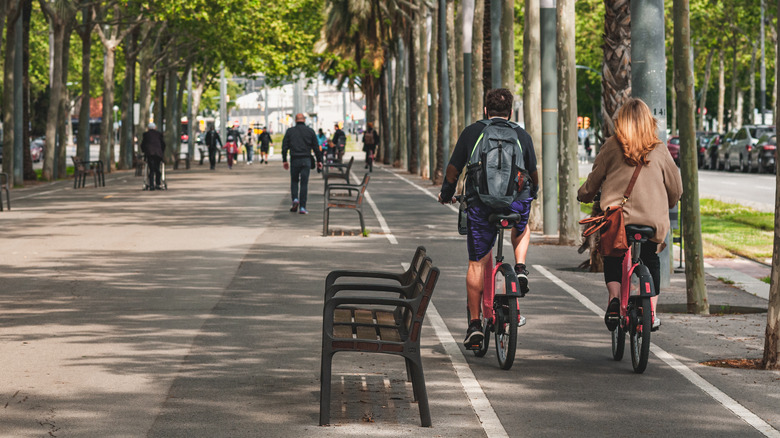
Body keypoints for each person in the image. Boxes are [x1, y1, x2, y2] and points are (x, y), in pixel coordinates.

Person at [437, 88, 539, 348]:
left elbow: (453, 168)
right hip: (516, 201)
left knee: (477, 262)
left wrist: (447, 193)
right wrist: (532, 194)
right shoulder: (521, 134)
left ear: (485, 110)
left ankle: (474, 325)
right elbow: (532, 171)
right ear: (511, 112)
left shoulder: (473, 132)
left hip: (481, 204)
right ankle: (520, 267)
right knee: (522, 227)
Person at [577, 97, 682, 332]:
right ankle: (651, 314)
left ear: (621, 121)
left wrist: (583, 195)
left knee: (614, 256)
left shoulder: (612, 145)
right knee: (651, 259)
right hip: (652, 222)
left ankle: (614, 301)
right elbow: (676, 187)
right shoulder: (660, 148)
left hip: (618, 219)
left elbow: (593, 181)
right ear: (649, 121)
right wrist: (671, 201)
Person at [282, 113, 323, 214]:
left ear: (295, 120)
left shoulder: (290, 131)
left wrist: (284, 160)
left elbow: (284, 147)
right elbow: (316, 148)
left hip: (294, 159)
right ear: (304, 120)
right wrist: (319, 160)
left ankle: (295, 199)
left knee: (294, 181)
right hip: (306, 160)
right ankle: (302, 207)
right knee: (304, 183)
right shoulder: (310, 131)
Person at [140, 122, 166, 190]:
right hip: (158, 153)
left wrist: (144, 151)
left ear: (148, 128)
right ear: (155, 128)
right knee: (157, 169)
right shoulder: (159, 134)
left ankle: (151, 185)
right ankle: (158, 184)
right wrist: (162, 152)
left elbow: (143, 145)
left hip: (149, 153)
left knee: (151, 169)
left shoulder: (146, 134)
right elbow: (163, 144)